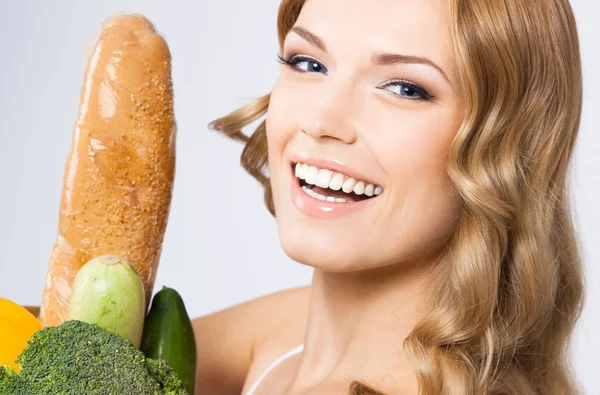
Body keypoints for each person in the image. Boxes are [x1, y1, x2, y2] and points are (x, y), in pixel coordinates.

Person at [191, 0, 585, 394]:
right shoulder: (282, 332)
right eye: (308, 63)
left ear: (506, 144)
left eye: (404, 88)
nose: (319, 121)